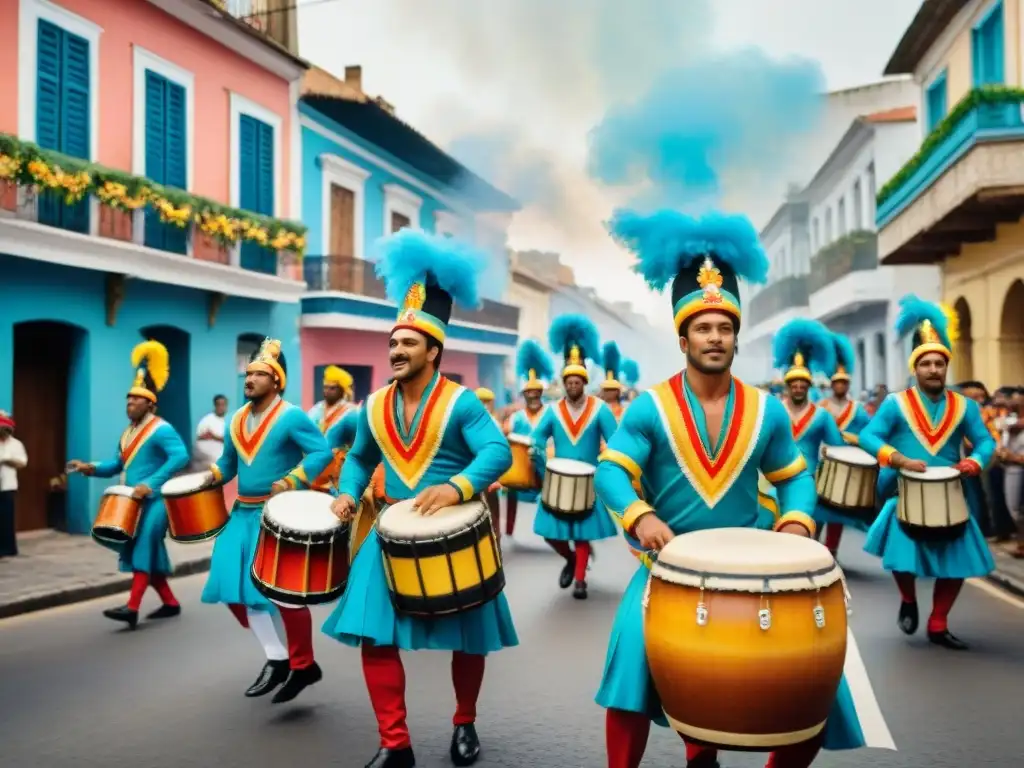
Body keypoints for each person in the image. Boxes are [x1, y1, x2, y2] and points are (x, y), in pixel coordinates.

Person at [596, 208, 886, 768]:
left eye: (725, 327)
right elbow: (611, 470)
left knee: (812, 696)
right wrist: (638, 515)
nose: (715, 336)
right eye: (703, 328)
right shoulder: (650, 407)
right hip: (665, 568)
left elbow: (796, 477)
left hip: (754, 571)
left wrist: (799, 522)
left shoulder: (767, 410)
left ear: (735, 336)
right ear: (683, 338)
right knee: (628, 682)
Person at [322, 230, 516, 768]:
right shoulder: (375, 404)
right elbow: (360, 456)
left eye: (408, 343)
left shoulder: (461, 404)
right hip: (388, 532)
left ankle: (464, 721)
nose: (396, 350)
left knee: (468, 638)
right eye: (392, 342)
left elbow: (498, 453)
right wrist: (346, 492)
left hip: (455, 531)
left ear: (434, 349)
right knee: (374, 638)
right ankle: (394, 743)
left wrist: (455, 487)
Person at [199, 338, 333, 702]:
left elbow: (321, 452)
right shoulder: (237, 419)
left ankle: (302, 665)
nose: (250, 378)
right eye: (249, 372)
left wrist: (293, 479)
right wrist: (211, 476)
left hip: (277, 516)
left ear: (276, 381)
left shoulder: (291, 416)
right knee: (231, 587)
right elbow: (229, 463)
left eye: (259, 374)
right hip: (241, 513)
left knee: (282, 594)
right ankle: (277, 657)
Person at [859, 295, 996, 650]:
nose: (934, 369)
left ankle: (938, 623)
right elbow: (868, 436)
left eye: (939, 363)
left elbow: (984, 442)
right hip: (905, 491)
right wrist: (897, 459)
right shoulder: (895, 403)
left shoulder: (965, 406)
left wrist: (975, 462)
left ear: (946, 367)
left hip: (952, 495)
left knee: (956, 564)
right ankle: (908, 598)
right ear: (915, 368)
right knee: (902, 558)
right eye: (927, 364)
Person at [67, 341, 189, 627]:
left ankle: (132, 608)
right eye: (128, 399)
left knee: (145, 544)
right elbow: (116, 465)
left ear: (150, 403)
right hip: (135, 502)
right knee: (145, 549)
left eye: (136, 399)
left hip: (158, 501)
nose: (129, 403)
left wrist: (152, 483)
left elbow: (180, 456)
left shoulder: (162, 429)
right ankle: (170, 603)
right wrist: (90, 467)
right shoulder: (127, 434)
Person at [530, 314, 618, 600]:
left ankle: (580, 580)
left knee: (582, 534)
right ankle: (569, 559)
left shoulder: (601, 409)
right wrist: (539, 455)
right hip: (557, 480)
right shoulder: (552, 410)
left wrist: (609, 463)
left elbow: (615, 442)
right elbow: (537, 438)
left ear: (584, 381)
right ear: (564, 383)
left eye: (577, 381)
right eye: (568, 381)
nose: (572, 385)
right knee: (550, 533)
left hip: (588, 480)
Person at [502, 339, 553, 537]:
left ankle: (551, 527)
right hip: (521, 464)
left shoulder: (551, 413)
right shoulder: (516, 417)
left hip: (545, 460)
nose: (533, 396)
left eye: (536, 393)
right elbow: (504, 434)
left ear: (541, 394)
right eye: (529, 393)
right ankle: (508, 529)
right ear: (524, 395)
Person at [309, 366, 360, 493]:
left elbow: (358, 447)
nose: (327, 391)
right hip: (313, 472)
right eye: (325, 387)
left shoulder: (352, 413)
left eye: (332, 388)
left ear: (342, 390)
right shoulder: (316, 409)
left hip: (336, 477)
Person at [474, 387, 502, 537]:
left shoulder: (493, 422)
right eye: (481, 402)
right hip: (472, 471)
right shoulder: (468, 421)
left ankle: (495, 536)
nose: (484, 406)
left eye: (487, 402)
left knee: (491, 506)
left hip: (489, 473)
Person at [0, 411, 27, 557]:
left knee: (7, 518)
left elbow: (22, 462)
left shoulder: (16, 444)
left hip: (8, 486)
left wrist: (7, 460)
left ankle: (8, 549)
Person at [193, 394, 228, 471]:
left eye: (223, 405)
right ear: (215, 405)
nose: (221, 407)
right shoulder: (207, 420)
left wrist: (214, 436)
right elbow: (199, 437)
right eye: (218, 405)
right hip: (210, 448)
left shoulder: (230, 421)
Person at [598, 341, 627, 421]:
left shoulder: (625, 412)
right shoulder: (597, 411)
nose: (609, 393)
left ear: (617, 392)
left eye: (611, 390)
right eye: (606, 390)